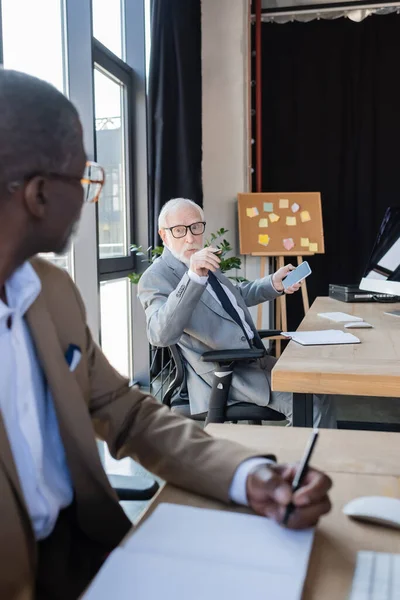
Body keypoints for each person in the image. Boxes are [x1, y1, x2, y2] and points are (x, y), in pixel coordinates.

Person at [0, 69, 331, 600]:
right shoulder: (163, 277)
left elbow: (126, 410)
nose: (90, 199)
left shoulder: (51, 292)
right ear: (40, 194)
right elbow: (161, 332)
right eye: (85, 181)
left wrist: (245, 474)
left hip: (89, 550)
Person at [138, 197, 336, 426]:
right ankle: (301, 461)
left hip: (253, 360)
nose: (190, 237)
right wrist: (193, 277)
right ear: (164, 235)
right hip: (225, 374)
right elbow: (159, 334)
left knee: (321, 385)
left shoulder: (200, 260)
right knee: (310, 409)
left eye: (195, 227)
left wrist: (273, 283)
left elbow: (233, 296)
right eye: (179, 230)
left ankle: (321, 458)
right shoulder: (157, 276)